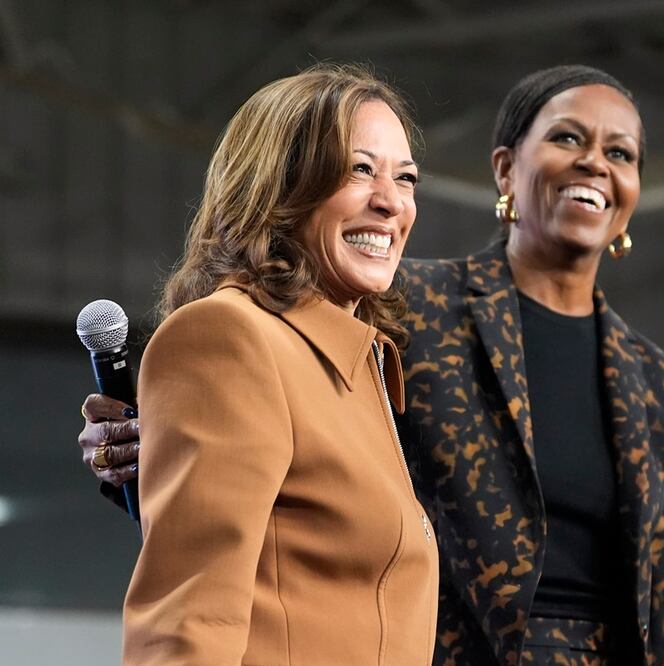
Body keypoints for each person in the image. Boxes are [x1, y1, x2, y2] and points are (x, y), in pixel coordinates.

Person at [80, 65, 664, 665]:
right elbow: (229, 483)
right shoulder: (407, 311)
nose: (596, 162)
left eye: (623, 152)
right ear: (506, 168)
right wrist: (148, 443)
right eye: (567, 137)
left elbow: (663, 591)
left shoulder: (649, 377)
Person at [94, 64, 439, 664]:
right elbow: (189, 615)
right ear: (280, 185)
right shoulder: (227, 336)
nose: (390, 202)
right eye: (359, 169)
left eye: (404, 179)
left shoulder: (361, 368)